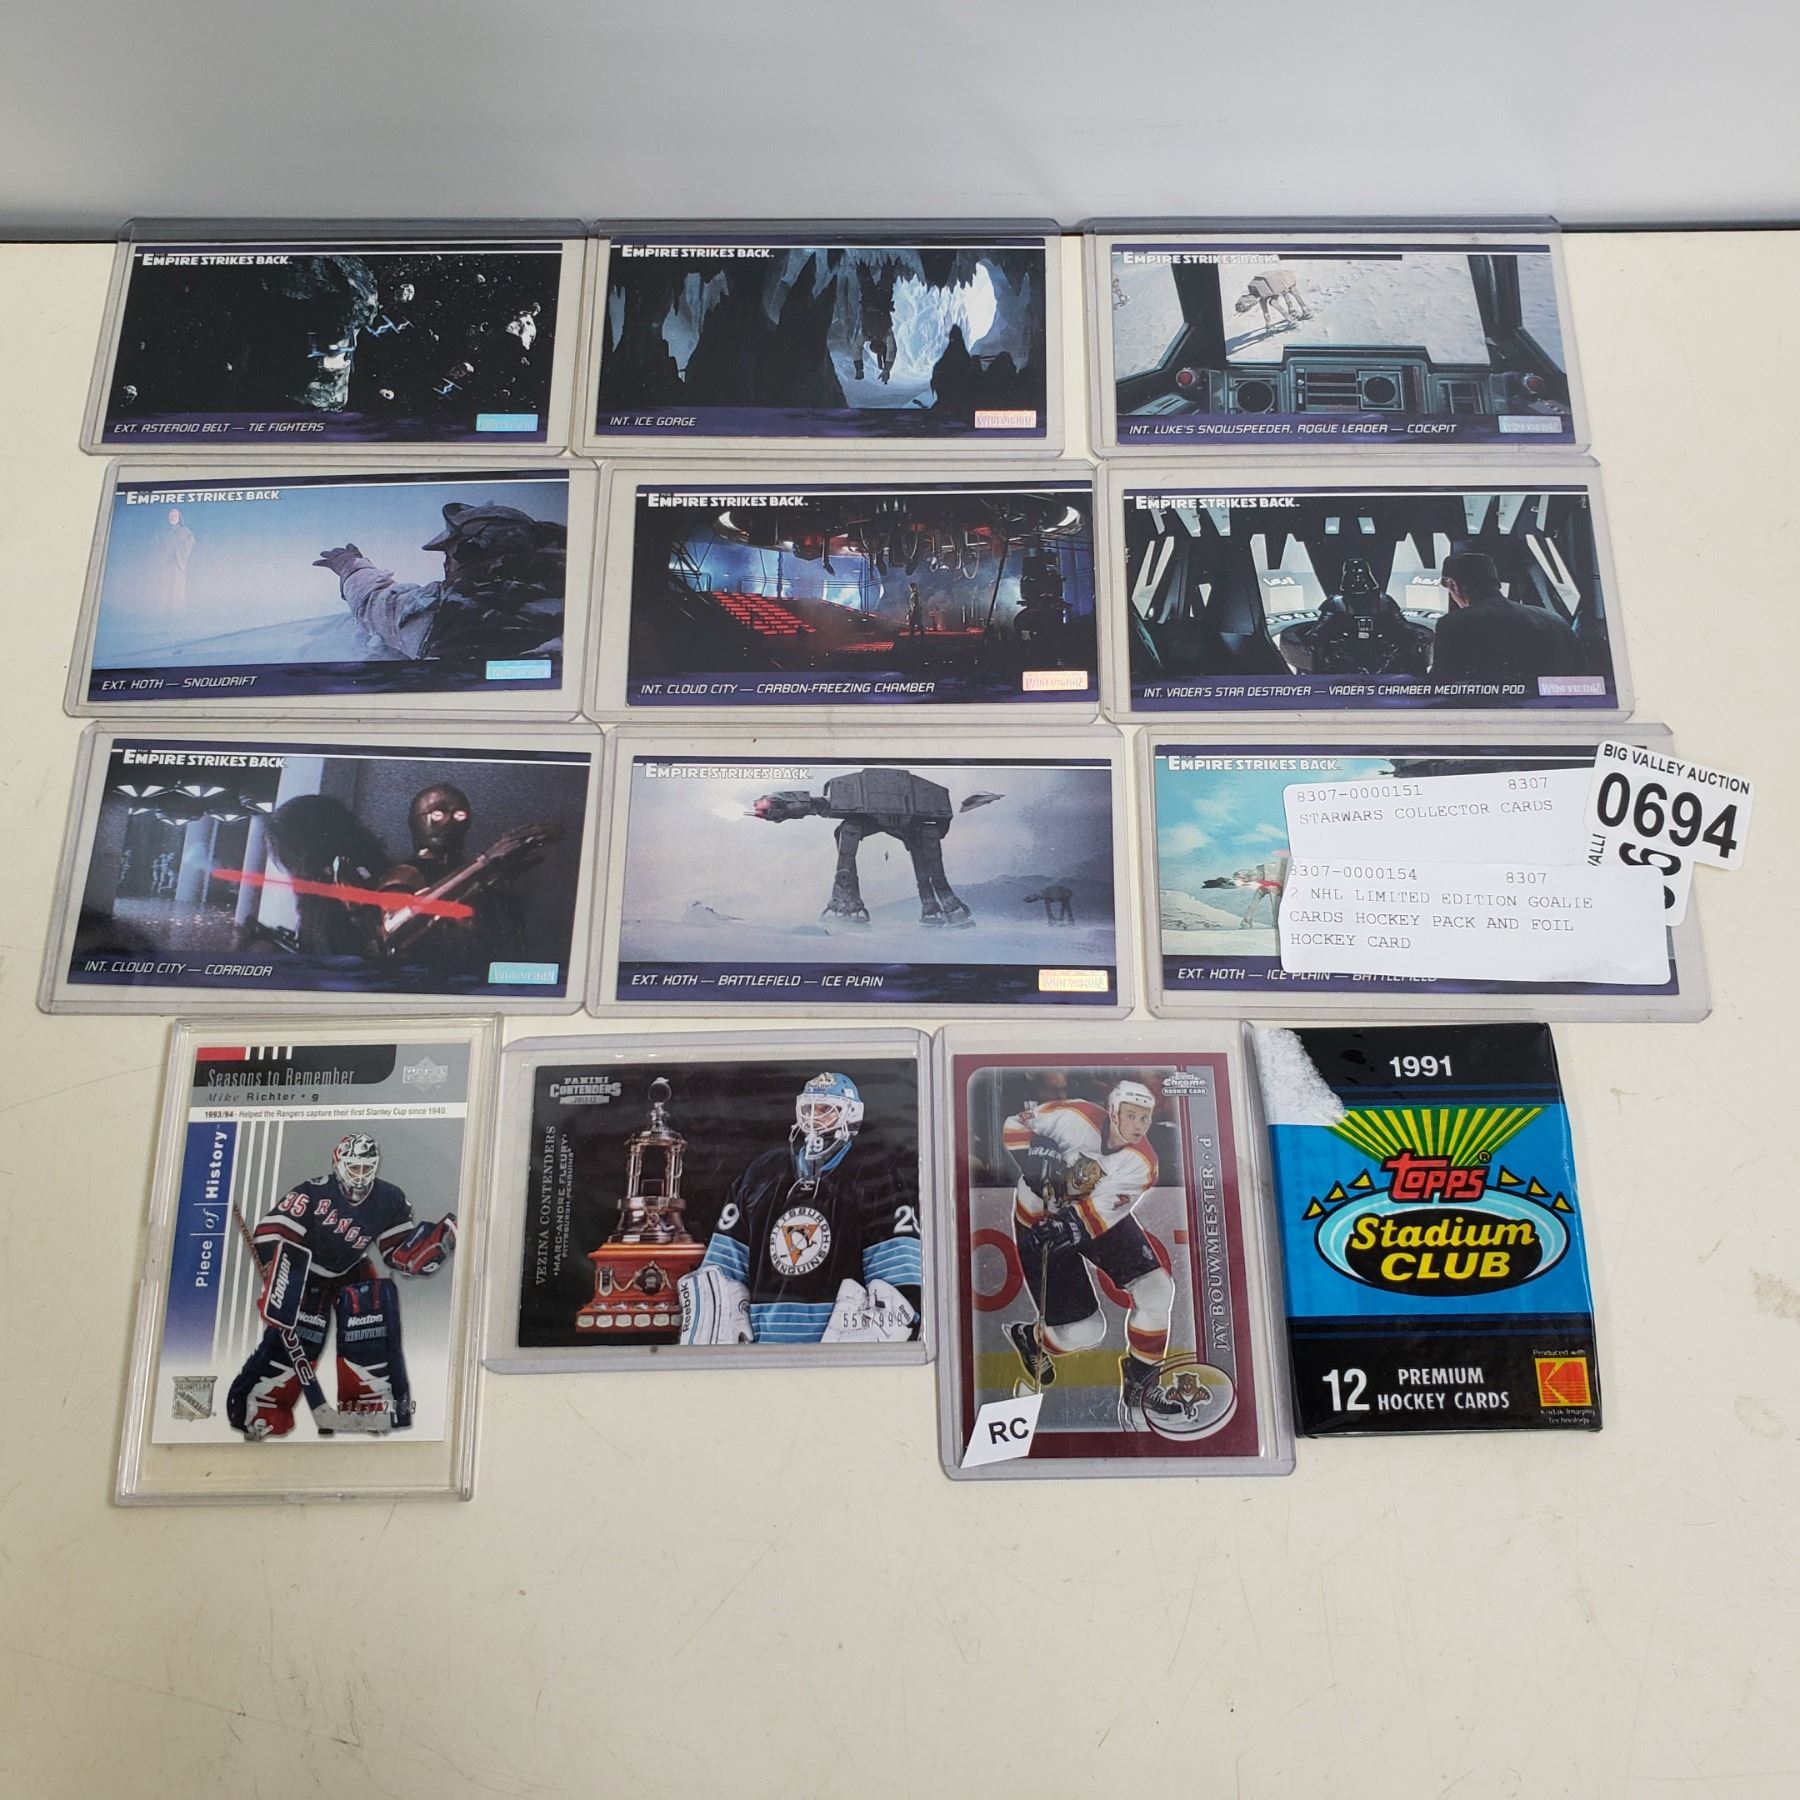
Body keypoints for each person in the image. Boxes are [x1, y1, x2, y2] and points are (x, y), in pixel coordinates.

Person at [227, 1133, 455, 1439]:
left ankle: (369, 1403)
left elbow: (396, 1250)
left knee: (372, 1313)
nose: (360, 1175)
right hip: (306, 1271)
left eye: (366, 1167)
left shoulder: (389, 1198)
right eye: (354, 1167)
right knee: (298, 1337)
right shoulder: (312, 1193)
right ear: (339, 1164)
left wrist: (425, 1250)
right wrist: (277, 1276)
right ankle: (263, 1408)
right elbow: (272, 1233)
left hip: (351, 1268)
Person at [678, 1073, 922, 1345]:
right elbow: (721, 1276)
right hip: (764, 1349)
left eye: (826, 1109)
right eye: (809, 1108)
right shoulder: (761, 1174)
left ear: (851, 1114)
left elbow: (898, 1295)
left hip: (837, 1355)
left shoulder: (876, 1174)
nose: (814, 1117)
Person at [1003, 1079, 1189, 1430]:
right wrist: (1032, 1160)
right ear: (1113, 1112)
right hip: (1039, 1222)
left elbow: (1092, 1218)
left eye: (1144, 1117)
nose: (1138, 1124)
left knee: (1156, 1289)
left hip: (1089, 1219)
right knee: (1086, 1332)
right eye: (1130, 1115)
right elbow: (1014, 1125)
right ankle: (1031, 1338)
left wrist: (1065, 1219)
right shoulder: (1075, 1115)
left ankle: (1142, 1389)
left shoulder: (1143, 1163)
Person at [312, 500, 566, 664]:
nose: (446, 564)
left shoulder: (452, 607)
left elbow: (377, 606)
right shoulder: (574, 590)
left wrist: (350, 566)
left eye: (450, 554)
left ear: (471, 551)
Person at [1429, 549, 1583, 686]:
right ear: (1496, 583)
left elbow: (1443, 686)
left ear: (1454, 585)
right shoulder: (1555, 621)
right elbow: (1582, 676)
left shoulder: (1454, 624)